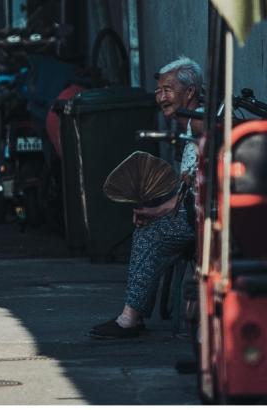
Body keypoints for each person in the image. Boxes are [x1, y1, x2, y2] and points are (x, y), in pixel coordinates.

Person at [90, 56, 203, 339]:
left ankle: (130, 318)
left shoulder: (201, 123)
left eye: (168, 89)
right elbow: (188, 193)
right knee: (149, 222)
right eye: (159, 90)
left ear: (189, 92)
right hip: (194, 211)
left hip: (205, 217)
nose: (161, 96)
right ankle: (136, 312)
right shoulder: (191, 125)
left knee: (149, 235)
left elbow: (200, 191)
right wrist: (158, 210)